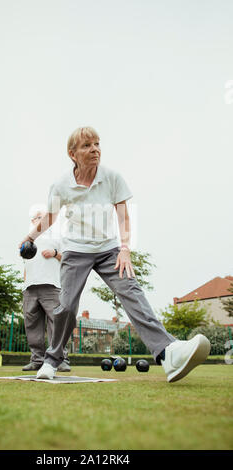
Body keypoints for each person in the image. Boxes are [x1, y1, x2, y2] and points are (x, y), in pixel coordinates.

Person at [20, 127, 210, 381]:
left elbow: (123, 218)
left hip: (109, 249)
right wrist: (30, 237)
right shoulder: (60, 185)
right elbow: (51, 216)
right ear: (72, 153)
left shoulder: (112, 177)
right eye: (87, 145)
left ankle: (168, 353)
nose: (95, 149)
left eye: (97, 144)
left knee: (131, 291)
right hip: (76, 250)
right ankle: (51, 361)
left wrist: (125, 249)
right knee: (65, 306)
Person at [22, 208, 71, 372]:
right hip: (30, 287)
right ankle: (37, 359)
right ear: (32, 221)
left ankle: (59, 359)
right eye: (37, 218)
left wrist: (55, 253)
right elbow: (26, 265)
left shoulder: (57, 237)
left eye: (43, 218)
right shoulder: (28, 240)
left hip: (52, 285)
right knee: (32, 325)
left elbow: (68, 258)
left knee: (56, 323)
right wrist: (25, 284)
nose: (40, 221)